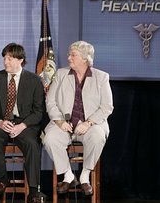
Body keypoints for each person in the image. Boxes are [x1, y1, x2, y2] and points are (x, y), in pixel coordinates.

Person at [43, 40, 113, 195]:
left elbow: (107, 106)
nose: (69, 58)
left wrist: (88, 123)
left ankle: (84, 176)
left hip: (90, 125)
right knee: (50, 139)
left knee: (97, 137)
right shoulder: (61, 74)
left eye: (73, 55)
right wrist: (60, 121)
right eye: (69, 54)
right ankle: (68, 175)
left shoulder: (101, 77)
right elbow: (50, 101)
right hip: (64, 124)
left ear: (85, 58)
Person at [0, 43, 45, 203]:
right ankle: (3, 179)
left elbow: (38, 112)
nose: (5, 62)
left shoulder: (35, 81)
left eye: (9, 58)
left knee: (32, 144)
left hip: (24, 124)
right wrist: (0, 122)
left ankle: (33, 191)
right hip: (1, 122)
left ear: (20, 60)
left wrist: (22, 126)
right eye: (4, 58)